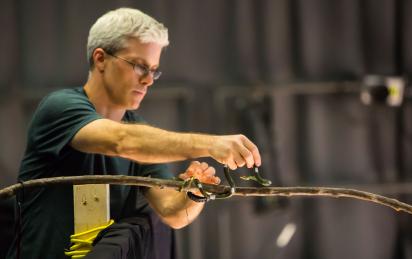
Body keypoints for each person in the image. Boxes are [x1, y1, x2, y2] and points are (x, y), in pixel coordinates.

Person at [6, 7, 261, 259]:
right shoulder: (59, 108)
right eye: (139, 66)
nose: (148, 80)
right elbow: (120, 142)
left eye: (154, 70)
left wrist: (194, 193)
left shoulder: (139, 134)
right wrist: (211, 144)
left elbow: (172, 212)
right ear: (100, 59)